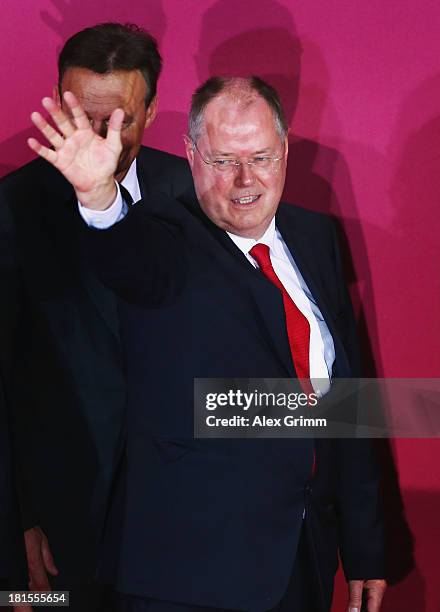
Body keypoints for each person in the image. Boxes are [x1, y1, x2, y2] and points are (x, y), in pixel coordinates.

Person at [28, 77, 387, 611]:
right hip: (189, 579)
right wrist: (99, 196)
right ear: (192, 155)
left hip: (302, 562)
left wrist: (365, 546)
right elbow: (126, 258)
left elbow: (347, 402)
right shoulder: (165, 238)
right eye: (223, 161)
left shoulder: (314, 236)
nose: (245, 179)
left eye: (261, 157)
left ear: (285, 152)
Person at [0, 22, 191, 611]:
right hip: (60, 532)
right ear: (59, 101)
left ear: (153, 110)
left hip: (184, 523)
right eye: (83, 113)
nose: (102, 136)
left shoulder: (196, 194)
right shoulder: (10, 207)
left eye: (122, 120)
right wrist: (15, 528)